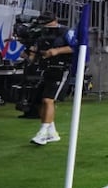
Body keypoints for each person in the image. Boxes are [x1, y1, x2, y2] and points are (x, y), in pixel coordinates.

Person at [27, 13, 78, 146]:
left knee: (48, 99)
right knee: (41, 101)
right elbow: (35, 51)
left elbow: (76, 47)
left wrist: (57, 51)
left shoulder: (66, 32)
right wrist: (32, 53)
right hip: (46, 68)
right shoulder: (40, 33)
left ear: (54, 21)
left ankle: (43, 132)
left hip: (61, 69)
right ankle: (52, 132)